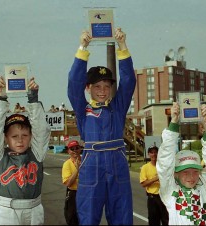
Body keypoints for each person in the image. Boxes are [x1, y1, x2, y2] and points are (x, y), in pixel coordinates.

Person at [67, 27, 136, 225]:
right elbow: (73, 83)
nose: (103, 91)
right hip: (91, 164)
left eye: (107, 86)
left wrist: (122, 46)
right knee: (88, 217)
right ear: (88, 88)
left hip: (118, 162)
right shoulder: (83, 109)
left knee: (122, 216)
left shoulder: (118, 107)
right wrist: (83, 47)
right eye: (97, 86)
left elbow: (129, 81)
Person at [0, 76, 51, 225]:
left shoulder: (36, 153)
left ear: (31, 136)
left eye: (25, 135)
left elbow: (41, 130)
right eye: (14, 136)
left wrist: (33, 98)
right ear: (5, 138)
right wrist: (1, 98)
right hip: (8, 211)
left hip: (34, 210)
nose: (20, 140)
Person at [156, 102, 206, 225]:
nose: (191, 177)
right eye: (185, 172)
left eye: (195, 172)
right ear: (175, 174)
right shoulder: (170, 191)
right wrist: (174, 121)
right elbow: (165, 162)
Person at [140, 145, 169, 225]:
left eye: (155, 152)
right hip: (153, 198)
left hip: (164, 197)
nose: (154, 154)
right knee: (153, 221)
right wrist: (155, 178)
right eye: (151, 152)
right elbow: (143, 183)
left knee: (166, 220)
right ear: (149, 154)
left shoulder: (163, 166)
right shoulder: (145, 167)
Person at [62, 140, 81, 225]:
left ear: (80, 149)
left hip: (86, 193)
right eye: (72, 149)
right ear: (68, 151)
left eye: (77, 148)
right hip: (73, 194)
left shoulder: (85, 161)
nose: (75, 150)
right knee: (72, 219)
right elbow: (68, 183)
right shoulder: (67, 164)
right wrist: (77, 169)